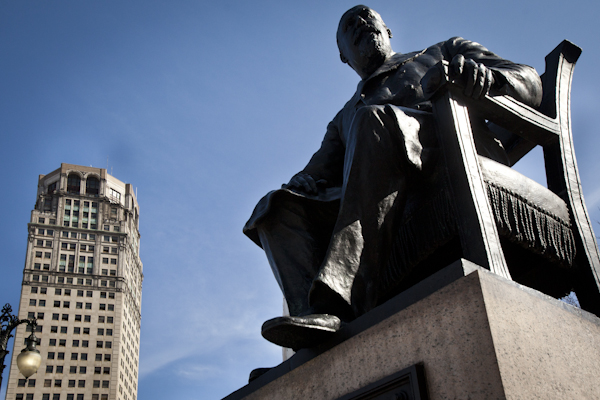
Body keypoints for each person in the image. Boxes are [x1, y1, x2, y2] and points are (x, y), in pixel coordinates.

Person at [244, 5, 542, 350]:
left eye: (366, 17)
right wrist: (302, 182)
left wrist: (488, 78)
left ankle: (337, 304)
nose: (360, 23)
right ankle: (311, 333)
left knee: (372, 121)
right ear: (343, 56)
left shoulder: (442, 51)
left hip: (451, 154)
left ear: (387, 31)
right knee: (275, 206)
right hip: (381, 193)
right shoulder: (345, 117)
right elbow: (317, 170)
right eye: (349, 25)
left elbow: (529, 81)